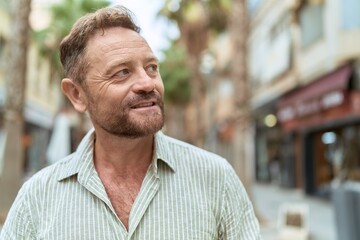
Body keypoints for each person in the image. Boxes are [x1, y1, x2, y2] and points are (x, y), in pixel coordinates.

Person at [0, 5, 262, 240]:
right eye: (122, 72)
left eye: (151, 68)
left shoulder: (216, 178)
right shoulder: (37, 197)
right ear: (77, 95)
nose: (148, 83)